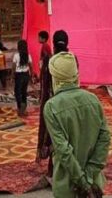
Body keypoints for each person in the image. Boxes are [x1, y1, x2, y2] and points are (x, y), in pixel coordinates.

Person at [42, 52, 110, 198]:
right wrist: (89, 177)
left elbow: (63, 149)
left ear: (56, 78)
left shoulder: (52, 106)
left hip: (68, 185)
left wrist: (82, 182)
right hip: (94, 183)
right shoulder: (93, 99)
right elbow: (104, 139)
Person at [37, 30, 71, 163]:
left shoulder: (49, 61)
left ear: (53, 44)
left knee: (53, 134)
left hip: (54, 103)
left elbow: (45, 87)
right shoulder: (72, 59)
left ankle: (53, 167)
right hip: (71, 103)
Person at [12, 39, 33, 117]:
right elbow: (31, 66)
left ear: (18, 47)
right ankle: (24, 109)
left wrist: (12, 76)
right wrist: (31, 75)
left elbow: (13, 67)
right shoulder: (28, 55)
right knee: (24, 92)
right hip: (26, 74)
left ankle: (20, 108)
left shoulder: (16, 55)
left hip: (18, 75)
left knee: (17, 92)